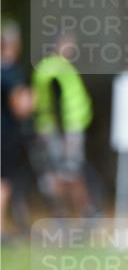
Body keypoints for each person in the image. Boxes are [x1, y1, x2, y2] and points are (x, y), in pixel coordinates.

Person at [31, 34, 94, 218]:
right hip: (63, 129)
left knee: (62, 171)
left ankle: (67, 214)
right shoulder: (56, 69)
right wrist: (63, 133)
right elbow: (55, 102)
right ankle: (72, 213)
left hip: (64, 127)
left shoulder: (50, 67)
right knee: (66, 172)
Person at [1, 20, 33, 239]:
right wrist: (36, 98)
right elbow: (20, 108)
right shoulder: (11, 72)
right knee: (3, 181)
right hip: (6, 133)